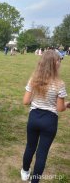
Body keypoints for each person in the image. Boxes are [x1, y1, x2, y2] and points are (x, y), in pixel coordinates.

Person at [20, 50, 69, 182]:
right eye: (59, 60)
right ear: (54, 64)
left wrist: (37, 100)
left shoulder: (33, 80)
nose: (60, 62)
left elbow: (25, 101)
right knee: (42, 153)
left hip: (34, 117)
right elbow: (60, 108)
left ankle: (25, 171)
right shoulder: (60, 84)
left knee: (30, 146)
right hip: (50, 121)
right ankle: (34, 180)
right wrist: (67, 104)